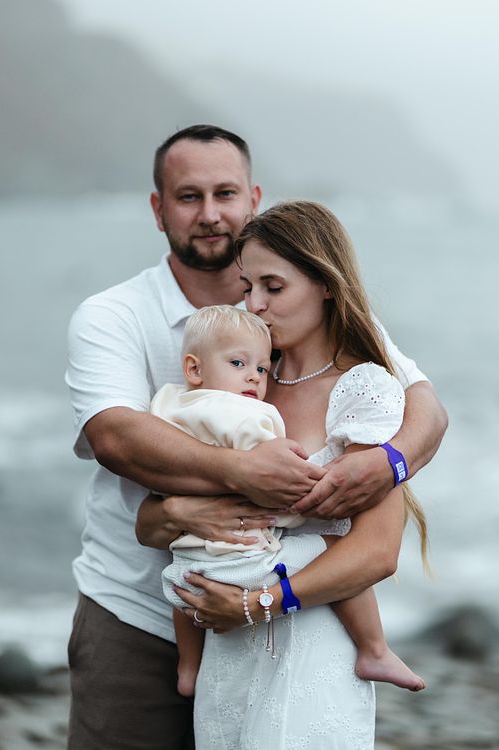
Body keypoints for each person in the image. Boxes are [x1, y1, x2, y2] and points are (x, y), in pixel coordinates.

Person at [66, 124, 447, 750]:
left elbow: (423, 405)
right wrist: (224, 485)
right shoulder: (116, 316)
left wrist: (391, 462)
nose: (210, 214)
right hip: (141, 607)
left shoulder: (309, 330)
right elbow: (116, 439)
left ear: (253, 200)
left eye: (225, 193)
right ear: (158, 209)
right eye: (188, 197)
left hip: (276, 616)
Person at [161, 200, 433, 748]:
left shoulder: (365, 387)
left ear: (326, 284)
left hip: (311, 641)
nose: (255, 304)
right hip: (226, 647)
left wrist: (253, 604)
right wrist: (177, 515)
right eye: (247, 287)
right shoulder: (241, 385)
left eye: (274, 287)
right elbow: (158, 512)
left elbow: (378, 553)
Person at [154, 304, 425, 699]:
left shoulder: (167, 407)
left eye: (262, 369)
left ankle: (188, 670)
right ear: (194, 368)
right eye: (238, 364)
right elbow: (271, 485)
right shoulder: (249, 417)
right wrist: (306, 504)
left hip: (186, 564)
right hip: (245, 562)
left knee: (185, 597)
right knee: (332, 547)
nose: (253, 376)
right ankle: (374, 648)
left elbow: (155, 474)